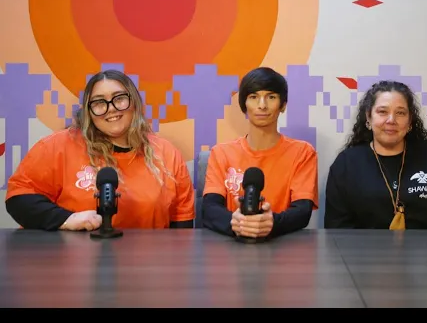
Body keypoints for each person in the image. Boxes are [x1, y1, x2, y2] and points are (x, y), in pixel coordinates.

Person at [5, 69, 195, 231]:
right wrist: (67, 220)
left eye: (119, 99)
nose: (111, 109)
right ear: (88, 112)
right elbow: (18, 198)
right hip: (71, 258)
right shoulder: (57, 146)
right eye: (99, 103)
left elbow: (182, 223)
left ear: (134, 102)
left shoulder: (166, 153)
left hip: (146, 260)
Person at [323, 80, 427, 230]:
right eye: (382, 112)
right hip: (364, 249)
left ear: (410, 121)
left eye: (400, 113)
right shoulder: (346, 164)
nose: (391, 120)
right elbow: (337, 227)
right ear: (368, 117)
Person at [201, 67, 318, 240]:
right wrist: (237, 224)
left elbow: (302, 211)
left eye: (271, 97)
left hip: (282, 247)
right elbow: (210, 209)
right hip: (231, 247)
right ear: (244, 105)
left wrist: (271, 223)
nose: (262, 105)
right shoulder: (221, 153)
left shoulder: (303, 153)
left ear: (283, 105)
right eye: (254, 97)